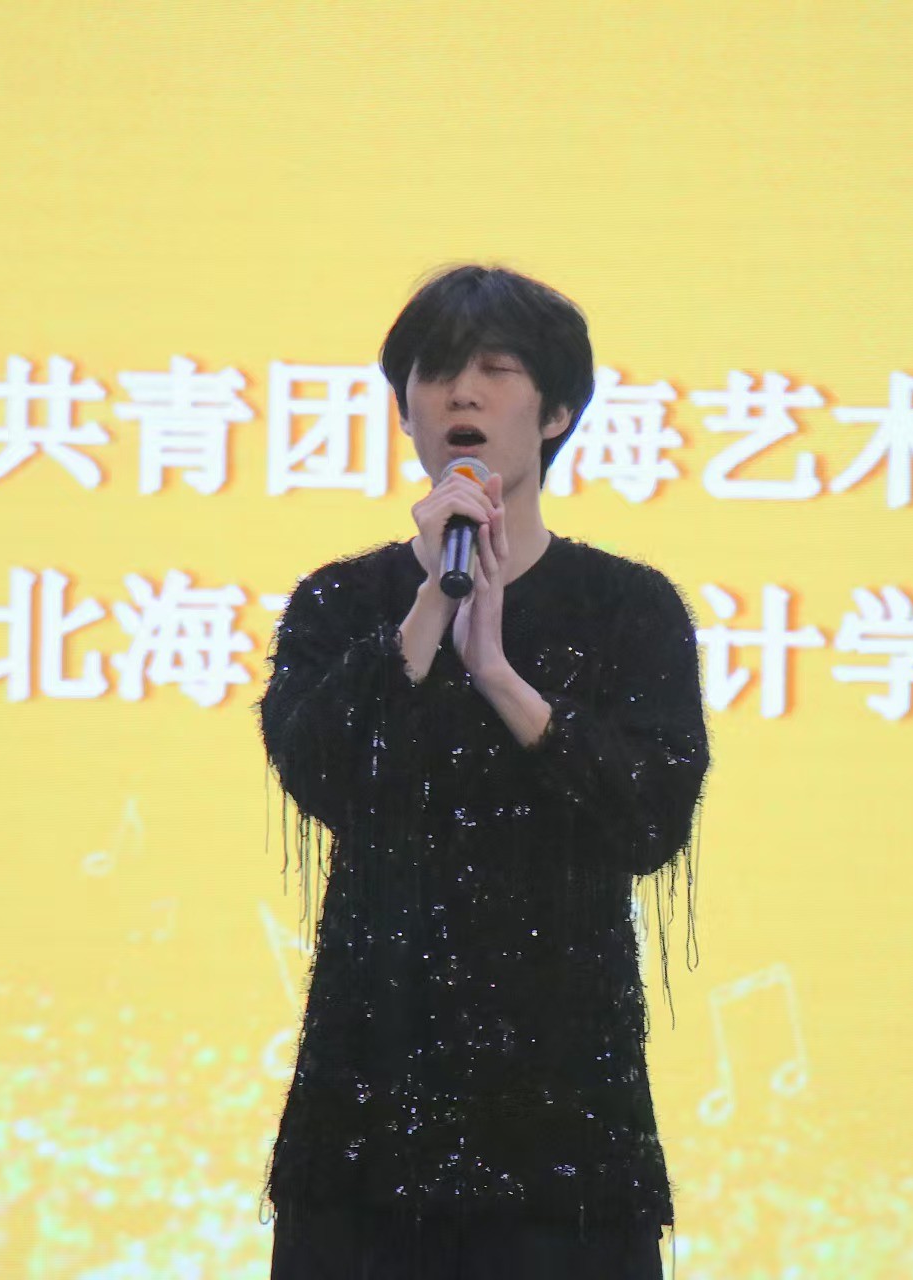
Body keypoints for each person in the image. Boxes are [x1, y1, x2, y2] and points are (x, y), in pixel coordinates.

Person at [258, 264, 710, 1278]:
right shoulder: (344, 601)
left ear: (554, 411)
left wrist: (499, 672)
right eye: (435, 373)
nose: (461, 392)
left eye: (496, 370)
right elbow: (322, 770)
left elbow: (650, 816)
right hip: (369, 1115)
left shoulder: (627, 608)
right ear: (406, 413)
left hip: (566, 1127)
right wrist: (432, 606)